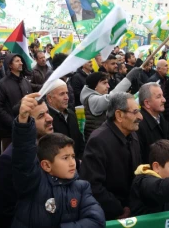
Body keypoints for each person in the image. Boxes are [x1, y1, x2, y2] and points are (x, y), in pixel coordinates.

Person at [11, 93, 105, 227]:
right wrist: (23, 122)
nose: (72, 162)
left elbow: (96, 220)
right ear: (46, 165)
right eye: (65, 158)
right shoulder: (34, 184)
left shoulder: (82, 187)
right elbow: (23, 160)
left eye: (73, 156)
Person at [80, 93, 142, 220]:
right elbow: (93, 185)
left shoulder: (133, 135)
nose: (140, 116)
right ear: (119, 115)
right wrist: (119, 209)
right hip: (110, 216)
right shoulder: (98, 140)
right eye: (135, 112)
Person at [0, 98, 54, 228]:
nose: (50, 118)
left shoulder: (51, 148)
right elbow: (4, 212)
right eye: (41, 116)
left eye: (48, 112)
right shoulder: (8, 160)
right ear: (25, 123)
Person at [80, 69, 140, 141]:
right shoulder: (92, 99)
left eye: (107, 83)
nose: (108, 86)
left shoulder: (94, 97)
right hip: (98, 141)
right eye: (104, 83)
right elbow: (112, 97)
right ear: (95, 86)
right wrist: (128, 78)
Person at [0, 54, 33, 151]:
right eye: (17, 61)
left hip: (27, 128)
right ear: (10, 65)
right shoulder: (2, 84)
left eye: (21, 60)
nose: (21, 63)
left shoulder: (25, 82)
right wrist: (13, 123)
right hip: (9, 132)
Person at [46, 79, 86, 160]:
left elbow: (80, 139)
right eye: (62, 94)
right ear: (50, 98)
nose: (67, 97)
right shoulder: (47, 119)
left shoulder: (71, 114)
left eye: (67, 93)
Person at [137, 83, 168, 163]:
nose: (164, 100)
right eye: (158, 97)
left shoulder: (161, 117)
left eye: (162, 95)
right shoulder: (139, 125)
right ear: (147, 103)